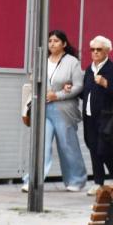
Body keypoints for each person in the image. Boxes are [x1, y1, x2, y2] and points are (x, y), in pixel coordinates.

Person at [22, 30, 88, 192]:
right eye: (50, 41)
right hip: (43, 108)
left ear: (64, 44)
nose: (52, 44)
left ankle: (76, 180)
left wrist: (57, 95)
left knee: (67, 145)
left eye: (56, 41)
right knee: (41, 145)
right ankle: (32, 181)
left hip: (64, 109)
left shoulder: (72, 62)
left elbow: (79, 86)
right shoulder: (42, 61)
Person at [81, 36, 113, 196]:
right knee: (93, 149)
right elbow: (86, 92)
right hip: (89, 117)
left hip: (107, 117)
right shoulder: (89, 69)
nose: (95, 52)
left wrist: (106, 84)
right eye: (92, 49)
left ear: (107, 51)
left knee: (103, 149)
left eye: (98, 49)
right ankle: (99, 182)